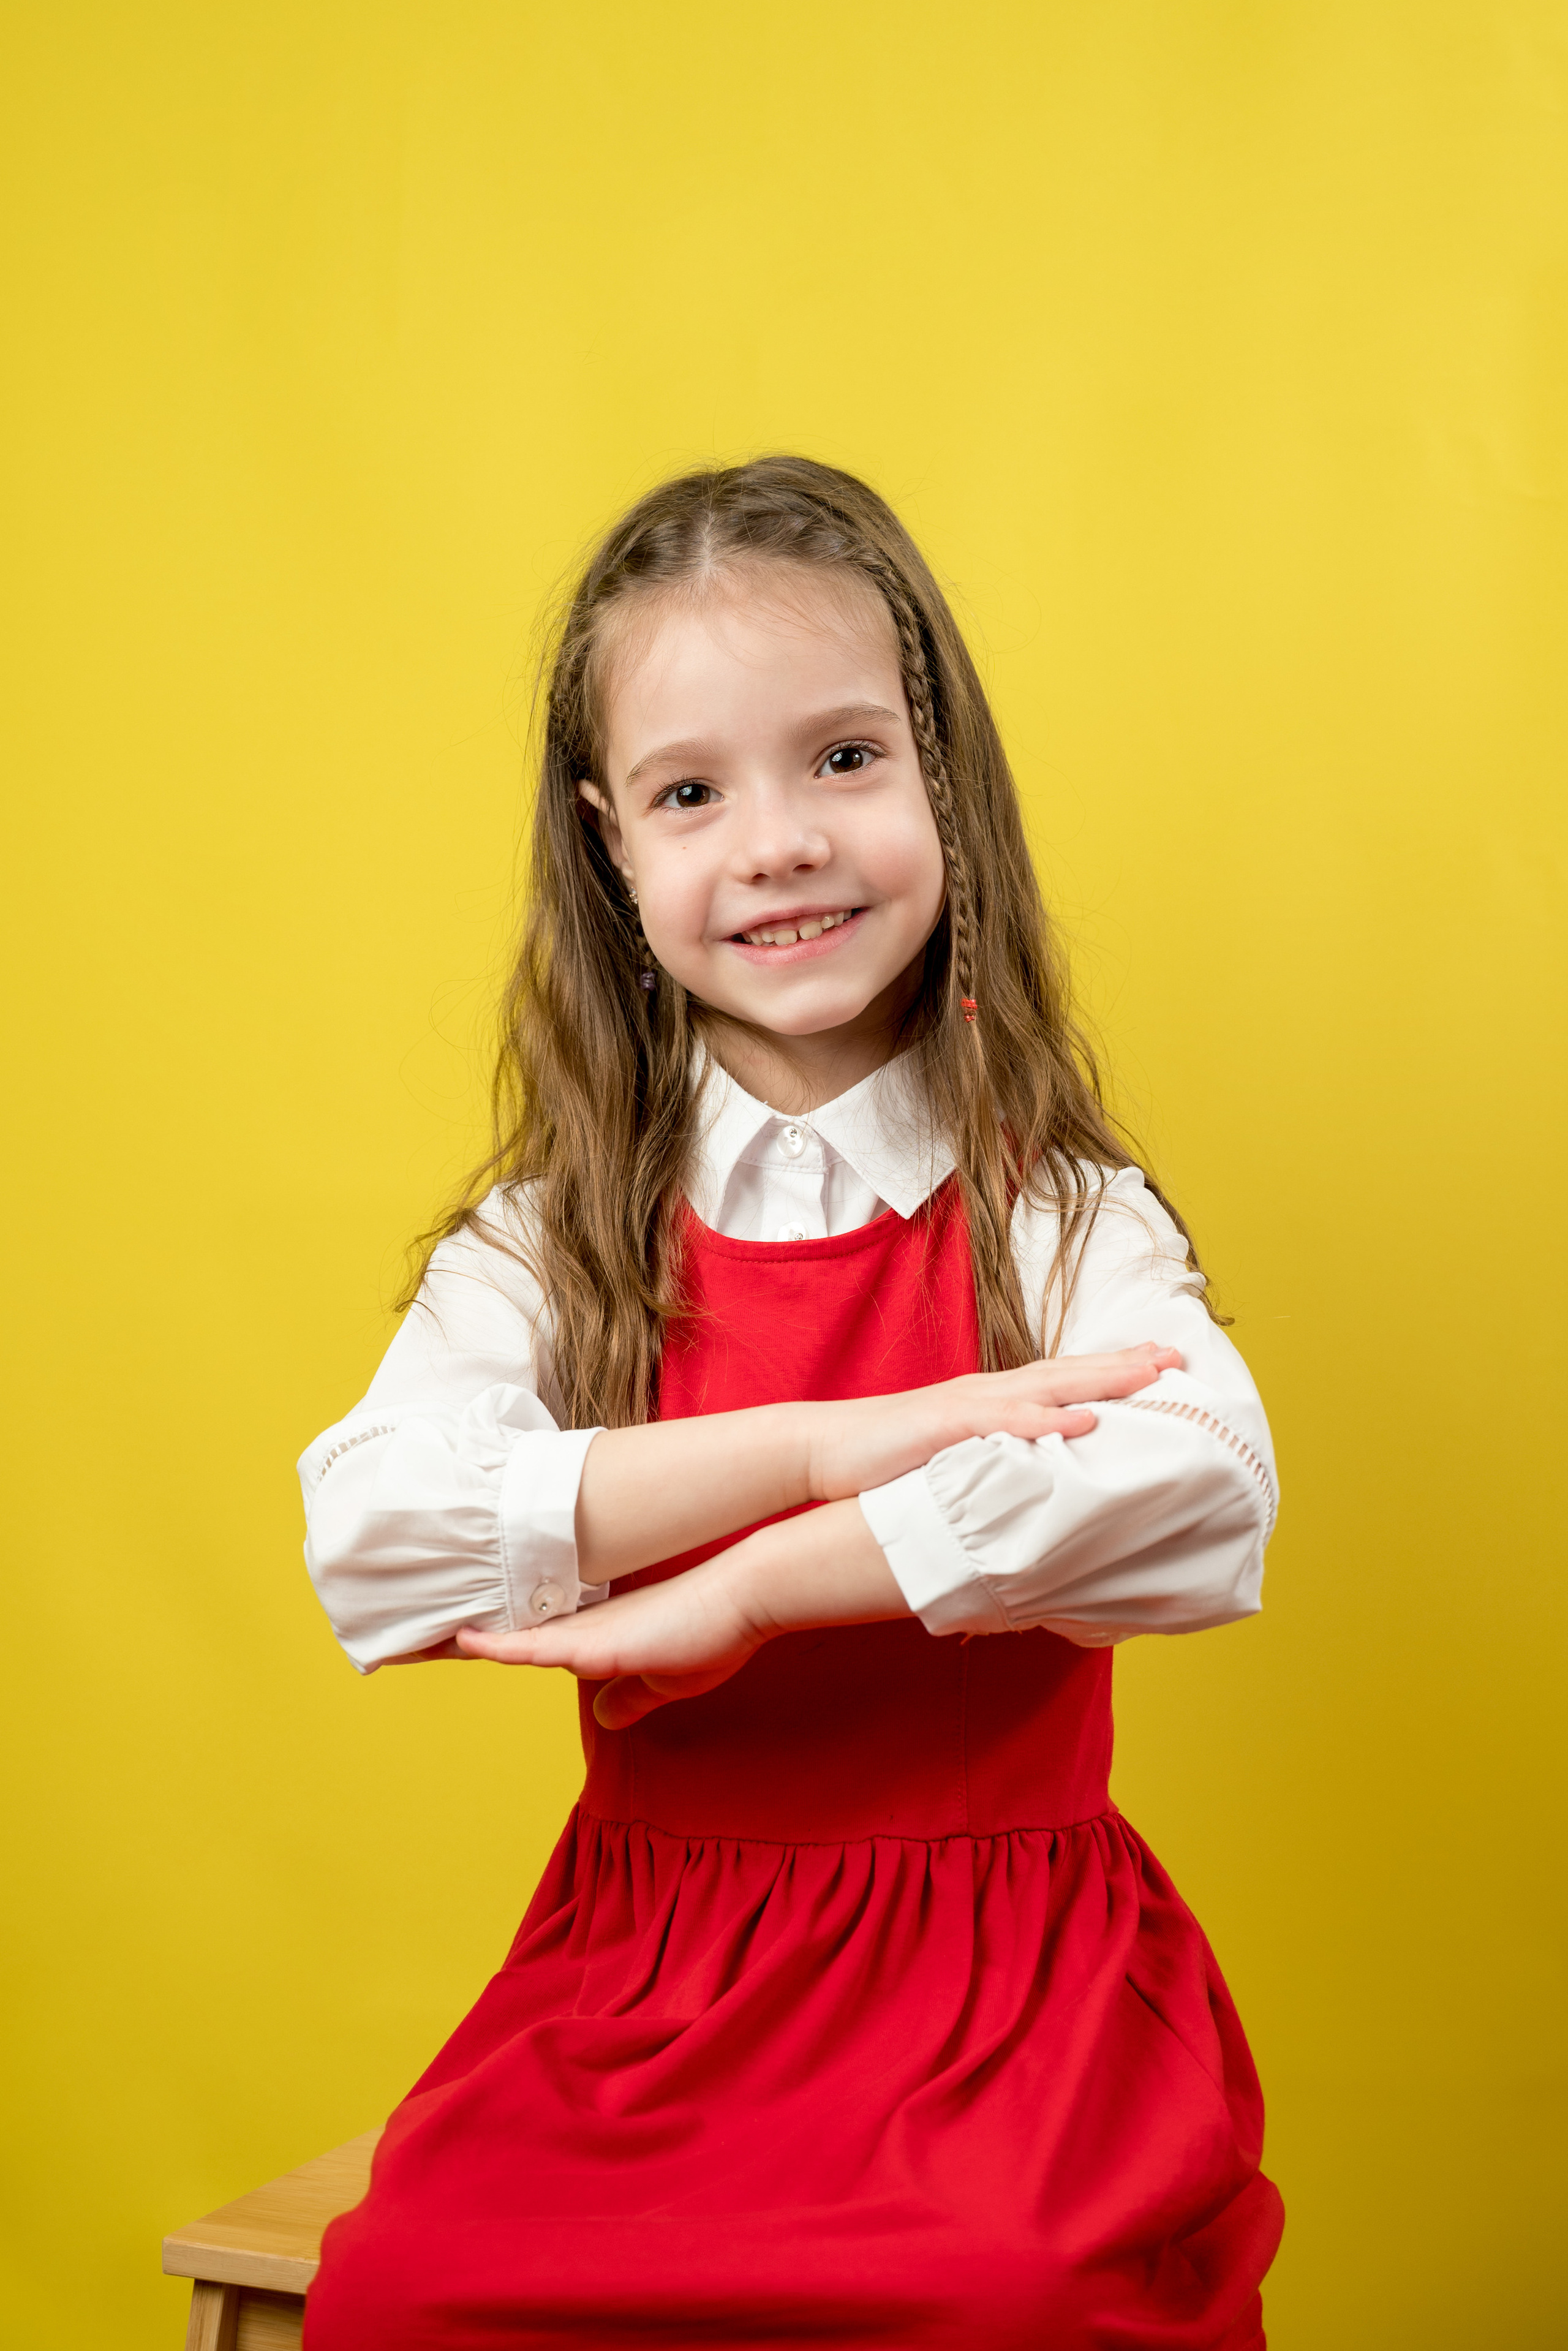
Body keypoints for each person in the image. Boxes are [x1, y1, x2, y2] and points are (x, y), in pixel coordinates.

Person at [298, 456, 1284, 2350]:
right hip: (638, 1998)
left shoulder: (1060, 1216)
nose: (777, 843)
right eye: (692, 792)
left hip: (1008, 2006)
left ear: (946, 780)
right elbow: (375, 1526)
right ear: (611, 844)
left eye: (844, 759)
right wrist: (827, 1445)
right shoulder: (549, 1241)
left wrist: (759, 1584)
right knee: (409, 2291)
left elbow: (1204, 1480)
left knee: (1007, 2305)